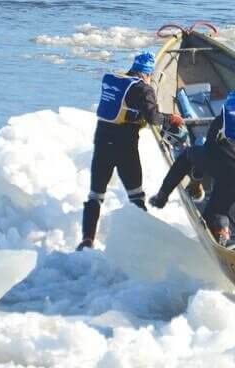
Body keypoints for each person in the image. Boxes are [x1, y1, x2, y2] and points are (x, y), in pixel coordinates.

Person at [77, 52, 184, 251]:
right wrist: (172, 119)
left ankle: (87, 239)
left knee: (96, 194)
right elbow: (153, 118)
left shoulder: (113, 80)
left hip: (102, 141)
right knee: (136, 195)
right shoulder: (142, 89)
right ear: (147, 73)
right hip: (124, 145)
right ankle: (143, 242)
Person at [148, 89, 235, 245]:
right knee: (217, 212)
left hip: (222, 160)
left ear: (229, 103)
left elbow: (209, 149)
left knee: (187, 156)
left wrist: (197, 177)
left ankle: (162, 197)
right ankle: (222, 233)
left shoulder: (225, 115)